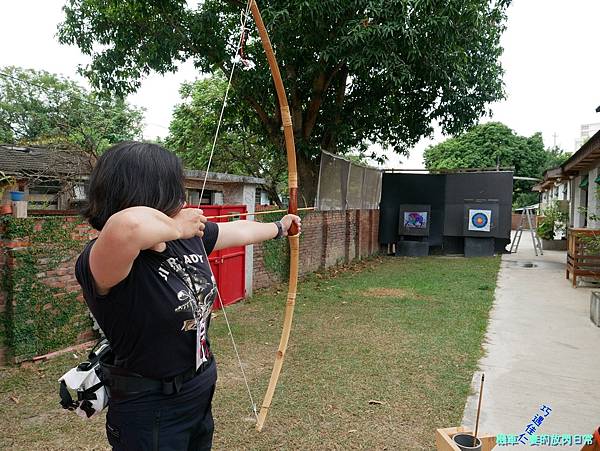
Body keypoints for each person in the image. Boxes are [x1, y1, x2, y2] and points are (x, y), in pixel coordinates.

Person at [75, 141, 301, 451]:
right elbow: (126, 227)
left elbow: (238, 232)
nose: (182, 197)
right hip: (149, 406)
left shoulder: (184, 239)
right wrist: (176, 227)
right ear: (150, 190)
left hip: (197, 390)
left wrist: (278, 227)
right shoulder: (105, 257)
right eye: (174, 186)